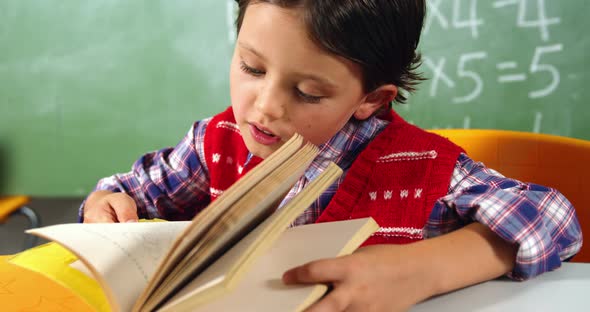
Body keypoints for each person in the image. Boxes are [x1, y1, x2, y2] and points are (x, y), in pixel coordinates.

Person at [80, 0, 582, 311]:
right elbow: (130, 190)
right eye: (251, 67)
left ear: (371, 99)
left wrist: (424, 270)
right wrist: (108, 202)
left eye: (309, 92)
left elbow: (554, 219)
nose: (266, 107)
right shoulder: (219, 142)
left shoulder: (418, 169)